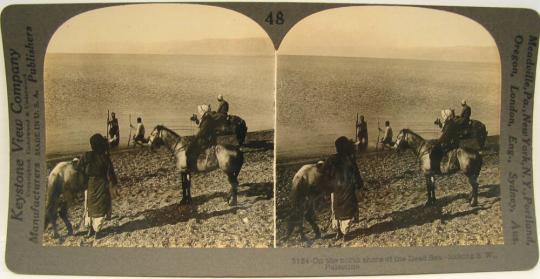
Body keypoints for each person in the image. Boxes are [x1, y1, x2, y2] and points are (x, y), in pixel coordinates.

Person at [322, 136, 364, 240]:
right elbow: (356, 175)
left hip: (336, 189)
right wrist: (359, 186)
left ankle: (339, 233)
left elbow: (325, 175)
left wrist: (327, 189)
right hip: (348, 189)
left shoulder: (331, 159)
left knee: (336, 211)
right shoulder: (350, 159)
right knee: (347, 211)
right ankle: (345, 233)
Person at [77, 133, 118, 240]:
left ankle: (90, 230)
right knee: (100, 209)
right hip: (102, 185)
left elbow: (79, 170)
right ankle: (97, 232)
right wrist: (113, 185)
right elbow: (110, 174)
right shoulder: (104, 158)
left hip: (90, 185)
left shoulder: (86, 156)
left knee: (89, 208)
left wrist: (82, 183)